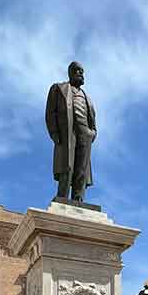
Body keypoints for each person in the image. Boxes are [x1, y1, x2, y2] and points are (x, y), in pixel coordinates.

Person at [45, 61, 97, 203]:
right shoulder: (58, 88)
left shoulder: (87, 97)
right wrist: (54, 133)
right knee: (67, 167)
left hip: (85, 134)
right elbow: (50, 113)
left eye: (82, 72)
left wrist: (92, 132)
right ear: (70, 72)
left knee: (81, 169)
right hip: (67, 132)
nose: (81, 74)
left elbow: (92, 118)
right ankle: (62, 197)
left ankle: (78, 198)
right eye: (78, 70)